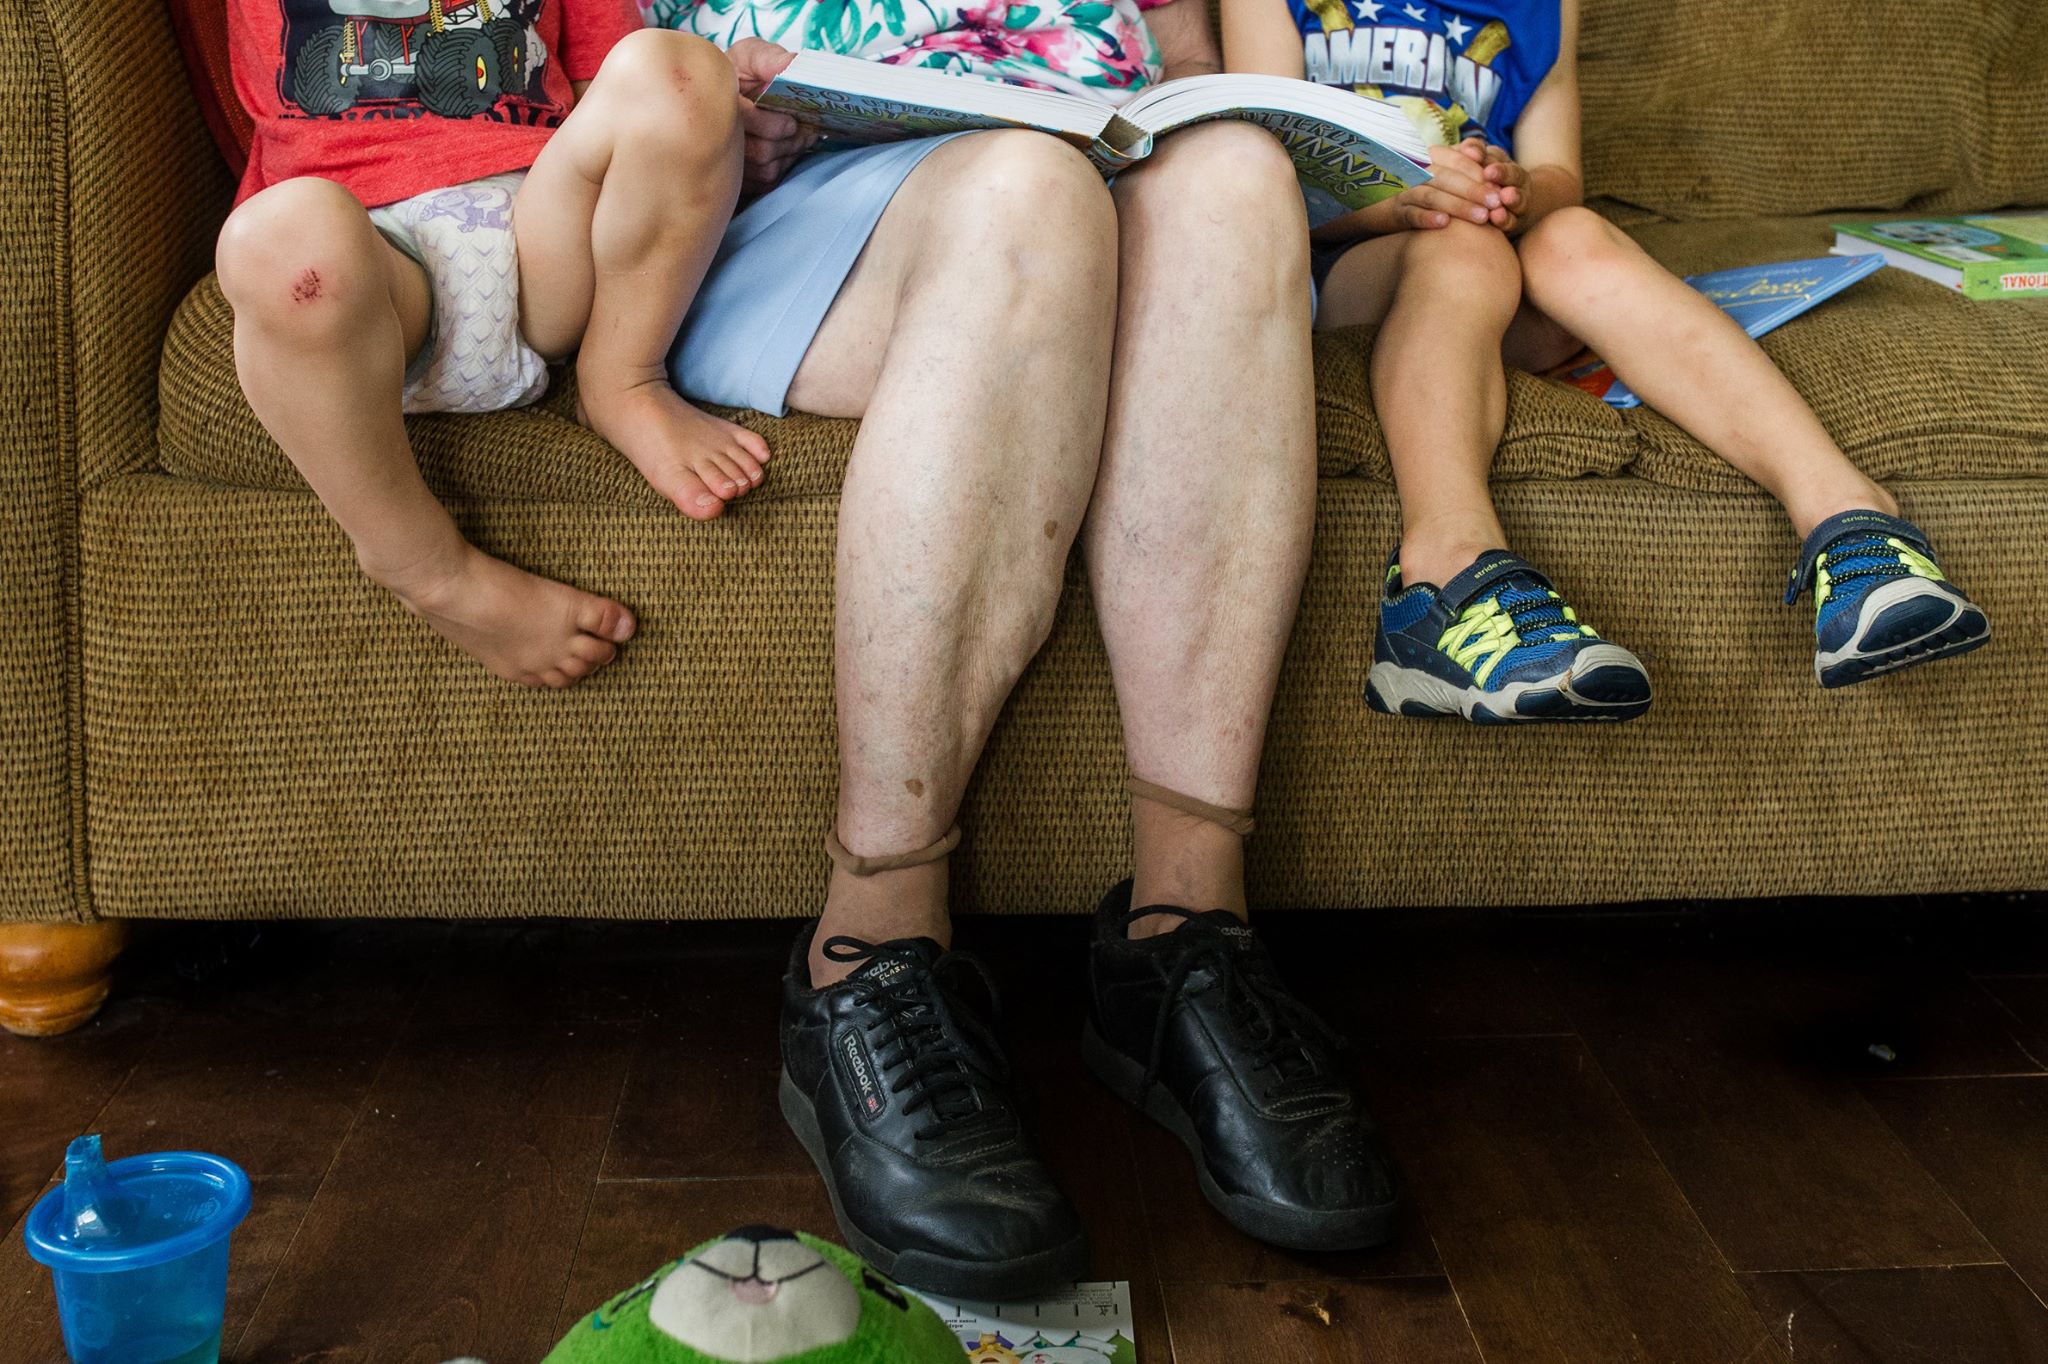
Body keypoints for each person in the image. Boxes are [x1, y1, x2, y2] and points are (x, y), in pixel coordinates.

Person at [654, 0, 1401, 1298]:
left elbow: (1185, 66)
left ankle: (1183, 942)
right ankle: (867, 951)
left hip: (1094, 181)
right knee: (1029, 191)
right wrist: (711, 107)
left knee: (1231, 178)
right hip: (799, 209)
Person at [1219, 0, 1990, 720]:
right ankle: (1439, 579)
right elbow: (1265, 171)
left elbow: (1562, 176)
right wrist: (1407, 199)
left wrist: (1521, 190)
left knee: (1573, 235)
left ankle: (1846, 518)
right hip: (1344, 272)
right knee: (1465, 252)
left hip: (1499, 265)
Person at [217, 0, 763, 689]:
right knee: (277, 242)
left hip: (544, 236)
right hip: (370, 266)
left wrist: (713, 126)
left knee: (680, 71)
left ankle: (623, 377)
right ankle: (425, 568)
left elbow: (613, 97)